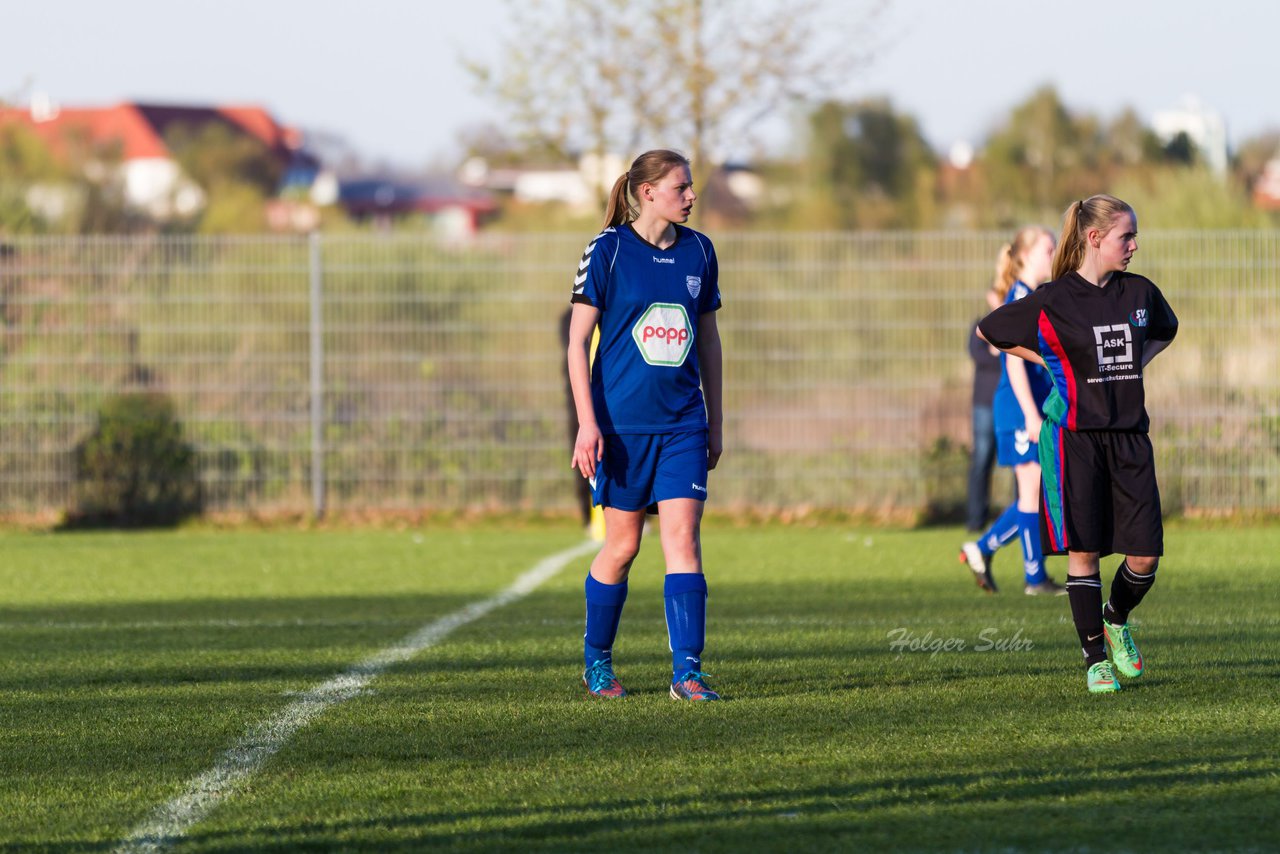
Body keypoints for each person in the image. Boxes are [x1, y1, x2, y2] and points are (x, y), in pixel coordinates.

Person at [978, 194, 1177, 693]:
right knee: (1084, 552)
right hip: (1074, 442)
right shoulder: (1054, 299)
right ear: (1095, 238)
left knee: (1145, 556)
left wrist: (1132, 364)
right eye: (1125, 236)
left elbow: (1164, 332)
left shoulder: (1140, 293)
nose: (1134, 244)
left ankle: (1116, 617)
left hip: (1130, 438)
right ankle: (1094, 658)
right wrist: (1050, 357)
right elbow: (992, 330)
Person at [566, 149, 723, 702]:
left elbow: (708, 339)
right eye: (682, 186)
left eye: (691, 186)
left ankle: (688, 672)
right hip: (620, 429)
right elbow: (575, 342)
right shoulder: (606, 251)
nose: (691, 195)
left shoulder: (701, 251)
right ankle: (598, 664)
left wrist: (716, 418)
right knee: (624, 546)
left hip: (684, 424)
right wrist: (588, 425)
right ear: (648, 191)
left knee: (684, 539)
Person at [960, 227, 1066, 596]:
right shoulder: (1018, 298)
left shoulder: (1031, 295)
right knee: (1032, 493)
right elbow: (1014, 363)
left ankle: (984, 548)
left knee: (1034, 495)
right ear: (1025, 256)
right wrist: (1031, 415)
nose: (1054, 254)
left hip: (1029, 407)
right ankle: (1034, 577)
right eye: (1049, 248)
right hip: (1020, 409)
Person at [964, 289, 1002, 532]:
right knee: (981, 460)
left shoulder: (1017, 323)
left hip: (1010, 404)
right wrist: (1001, 352)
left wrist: (997, 351)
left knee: (1023, 464)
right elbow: (979, 356)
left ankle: (1023, 515)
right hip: (984, 405)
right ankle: (976, 519)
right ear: (990, 295)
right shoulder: (980, 326)